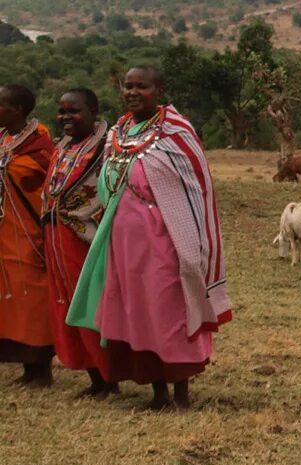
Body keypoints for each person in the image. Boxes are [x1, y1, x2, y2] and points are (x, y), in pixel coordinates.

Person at [66, 67, 230, 410]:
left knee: (169, 309)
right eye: (128, 86)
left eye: (143, 86)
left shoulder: (176, 132)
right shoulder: (118, 132)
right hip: (124, 241)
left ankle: (181, 392)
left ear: (160, 90)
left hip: (166, 238)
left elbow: (195, 188)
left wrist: (192, 246)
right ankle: (157, 392)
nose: (133, 92)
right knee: (138, 310)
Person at [42, 89, 114, 397]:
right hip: (58, 238)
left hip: (89, 237)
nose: (65, 118)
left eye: (75, 111)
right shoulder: (63, 147)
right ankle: (94, 377)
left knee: (92, 304)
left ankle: (110, 375)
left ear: (94, 112)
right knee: (67, 305)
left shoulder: (107, 147)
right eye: (62, 111)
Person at [1, 83, 56, 386]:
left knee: (32, 297)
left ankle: (40, 367)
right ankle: (21, 362)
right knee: (10, 299)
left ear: (18, 110)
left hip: (29, 235)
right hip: (5, 233)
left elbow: (49, 189)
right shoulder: (4, 139)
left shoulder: (39, 145)